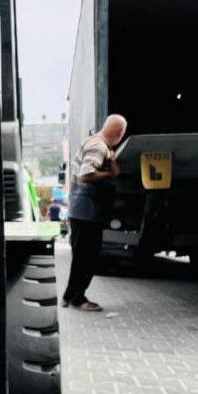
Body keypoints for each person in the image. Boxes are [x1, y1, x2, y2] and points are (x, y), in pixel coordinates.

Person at [62, 114, 127, 311]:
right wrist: (112, 173)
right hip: (86, 212)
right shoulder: (98, 146)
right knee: (87, 258)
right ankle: (78, 299)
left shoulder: (93, 142)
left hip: (82, 211)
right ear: (120, 133)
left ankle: (70, 296)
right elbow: (86, 174)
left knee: (81, 257)